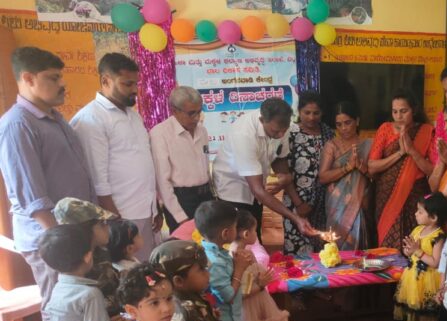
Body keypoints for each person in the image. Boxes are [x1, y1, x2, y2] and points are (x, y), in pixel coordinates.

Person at [0, 47, 96, 321]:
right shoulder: (16, 125)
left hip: (73, 234)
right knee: (60, 308)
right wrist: (61, 242)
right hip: (51, 240)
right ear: (27, 78)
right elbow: (31, 196)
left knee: (79, 305)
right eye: (53, 78)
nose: (61, 84)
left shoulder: (53, 117)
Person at [70, 53, 161, 261]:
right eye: (127, 84)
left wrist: (155, 208)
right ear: (105, 81)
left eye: (136, 83)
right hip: (121, 215)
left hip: (144, 209)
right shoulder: (91, 119)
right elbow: (97, 178)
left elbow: (142, 163)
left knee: (144, 270)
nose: (134, 89)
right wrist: (115, 220)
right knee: (125, 272)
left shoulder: (133, 115)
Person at [212, 97, 314, 243]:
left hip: (256, 192)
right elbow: (258, 190)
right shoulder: (244, 134)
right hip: (233, 191)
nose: (280, 135)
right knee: (238, 241)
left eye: (284, 131)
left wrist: (284, 177)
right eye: (276, 131)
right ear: (262, 120)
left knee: (254, 237)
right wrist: (295, 218)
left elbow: (279, 157)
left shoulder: (281, 125)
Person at [230, 210, 295, 321]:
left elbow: (254, 274)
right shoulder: (234, 257)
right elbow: (238, 291)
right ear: (246, 234)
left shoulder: (246, 251)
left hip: (258, 299)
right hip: (247, 305)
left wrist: (261, 280)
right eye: (255, 230)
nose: (256, 234)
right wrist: (260, 285)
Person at [369, 89, 437, 248]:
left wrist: (412, 151)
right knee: (386, 242)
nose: (399, 116)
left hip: (414, 196)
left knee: (412, 241)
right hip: (386, 196)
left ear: (414, 110)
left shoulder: (426, 131)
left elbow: (432, 171)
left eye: (403, 111)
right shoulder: (385, 129)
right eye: (395, 112)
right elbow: (371, 167)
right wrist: (400, 153)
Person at [393, 192, 447, 321]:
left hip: (430, 281)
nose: (415, 214)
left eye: (420, 211)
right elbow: (409, 252)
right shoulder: (417, 230)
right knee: (419, 314)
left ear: (433, 218)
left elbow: (436, 262)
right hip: (413, 280)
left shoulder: (438, 237)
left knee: (432, 317)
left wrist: (417, 251)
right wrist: (408, 251)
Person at [150, 86, 213, 232]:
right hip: (181, 200)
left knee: (210, 241)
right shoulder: (160, 134)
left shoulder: (202, 130)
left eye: (199, 112)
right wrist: (180, 216)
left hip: (206, 196)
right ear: (174, 111)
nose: (197, 118)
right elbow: (162, 181)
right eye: (191, 113)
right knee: (186, 243)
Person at [283, 91, 335, 255]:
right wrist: (299, 204)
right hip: (296, 203)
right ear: (299, 111)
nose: (311, 117)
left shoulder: (329, 134)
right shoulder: (290, 134)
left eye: (316, 113)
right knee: (298, 250)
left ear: (322, 113)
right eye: (307, 112)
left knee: (324, 249)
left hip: (323, 204)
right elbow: (285, 172)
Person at [319, 101, 373, 250]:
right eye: (339, 124)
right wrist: (347, 168)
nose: (343, 128)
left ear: (357, 121)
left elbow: (376, 176)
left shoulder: (369, 145)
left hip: (360, 203)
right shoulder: (332, 146)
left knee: (359, 247)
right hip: (336, 206)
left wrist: (361, 167)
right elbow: (322, 177)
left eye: (347, 123)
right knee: (336, 247)